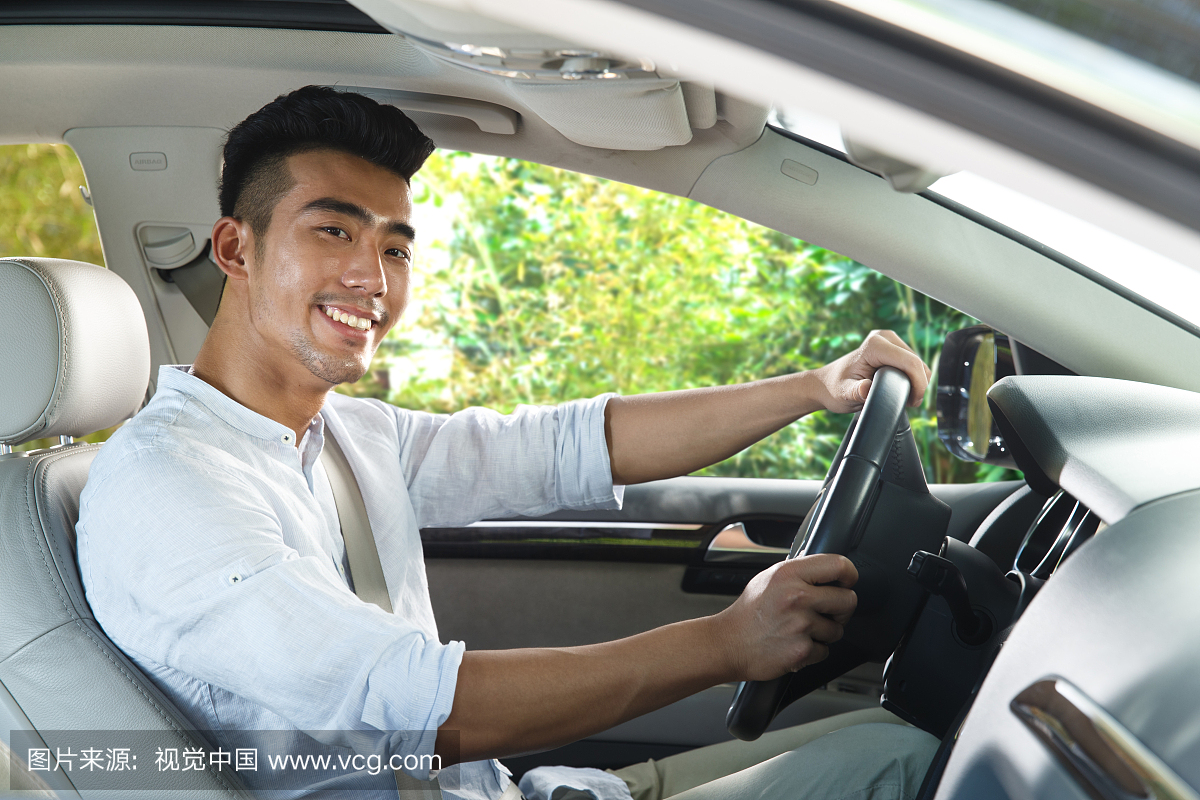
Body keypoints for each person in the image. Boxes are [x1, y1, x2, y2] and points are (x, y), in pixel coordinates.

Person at [77, 86, 939, 800]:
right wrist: (724, 643)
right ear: (236, 247)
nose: (371, 279)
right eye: (333, 231)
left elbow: (566, 446)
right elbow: (420, 709)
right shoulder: (168, 488)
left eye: (395, 247)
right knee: (909, 768)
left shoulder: (343, 436)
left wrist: (814, 390)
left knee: (894, 745)